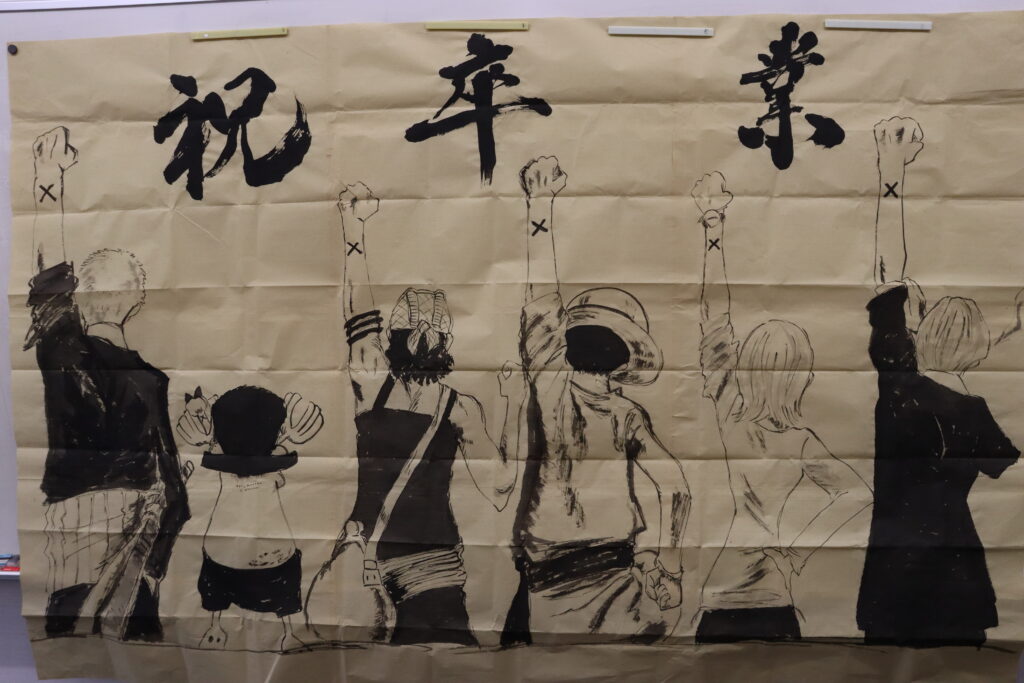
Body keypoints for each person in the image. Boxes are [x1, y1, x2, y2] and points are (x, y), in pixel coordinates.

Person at [308, 181, 525, 646]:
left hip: (365, 555)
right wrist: (510, 403)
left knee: (357, 662)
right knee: (441, 657)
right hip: (430, 560)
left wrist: (354, 229)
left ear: (392, 340)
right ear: (447, 345)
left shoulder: (373, 387)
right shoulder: (460, 407)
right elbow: (501, 487)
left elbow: (358, 317)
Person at [501, 156, 691, 646]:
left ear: (570, 341)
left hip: (550, 571)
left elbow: (540, 305)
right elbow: (676, 485)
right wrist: (667, 561)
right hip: (616, 569)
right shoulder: (628, 413)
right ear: (624, 356)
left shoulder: (552, 388)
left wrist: (539, 206)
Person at [857, 117, 1020, 647]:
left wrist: (890, 174)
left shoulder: (899, 386)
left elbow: (887, 273)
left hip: (892, 581)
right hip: (958, 580)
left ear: (918, 336)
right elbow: (1001, 461)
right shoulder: (975, 411)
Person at [693, 171, 872, 643]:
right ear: (796, 378)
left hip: (720, 593)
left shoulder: (731, 411)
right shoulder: (801, 442)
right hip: (774, 595)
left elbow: (714, 321)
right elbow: (857, 494)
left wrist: (713, 229)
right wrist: (796, 544)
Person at [27, 127, 190, 641]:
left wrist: (47, 179)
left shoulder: (63, 351)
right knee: (134, 634)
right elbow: (173, 481)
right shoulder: (150, 380)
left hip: (72, 510)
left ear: (80, 296)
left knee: (66, 625)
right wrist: (158, 557)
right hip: (138, 514)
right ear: (137, 300)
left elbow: (46, 277)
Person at [176, 385, 324, 652]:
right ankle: (288, 632)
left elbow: (214, 446)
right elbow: (281, 452)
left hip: (222, 554)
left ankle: (215, 626)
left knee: (216, 588)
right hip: (275, 556)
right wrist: (290, 437)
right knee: (285, 590)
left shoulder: (219, 459)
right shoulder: (276, 460)